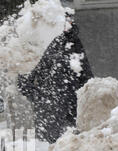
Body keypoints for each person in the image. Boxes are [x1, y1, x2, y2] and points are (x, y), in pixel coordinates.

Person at [17, 13, 93, 144]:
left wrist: (91, 91)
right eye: (65, 20)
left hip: (63, 104)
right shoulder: (53, 44)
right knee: (53, 144)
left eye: (69, 20)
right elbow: (38, 71)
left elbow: (84, 72)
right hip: (53, 105)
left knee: (65, 144)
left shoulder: (70, 44)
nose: (67, 23)